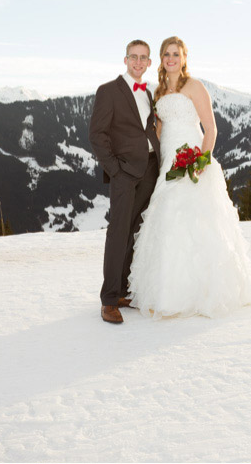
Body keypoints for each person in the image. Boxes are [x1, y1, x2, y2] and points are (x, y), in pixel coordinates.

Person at [126, 36, 251, 319]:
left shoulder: (195, 86)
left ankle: (201, 291)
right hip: (168, 161)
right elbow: (158, 131)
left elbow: (211, 129)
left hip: (192, 159)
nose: (171, 59)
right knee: (166, 220)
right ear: (161, 59)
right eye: (166, 54)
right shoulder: (158, 91)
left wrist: (202, 161)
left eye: (175, 54)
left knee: (197, 221)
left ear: (184, 58)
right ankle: (165, 291)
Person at [89, 39, 162, 324]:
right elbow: (97, 135)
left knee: (134, 231)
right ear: (125, 59)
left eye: (144, 58)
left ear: (148, 63)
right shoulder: (108, 91)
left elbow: (148, 128)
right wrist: (115, 170)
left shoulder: (148, 93)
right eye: (134, 57)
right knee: (118, 231)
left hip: (150, 168)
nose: (138, 62)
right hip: (124, 173)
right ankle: (108, 300)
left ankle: (121, 291)